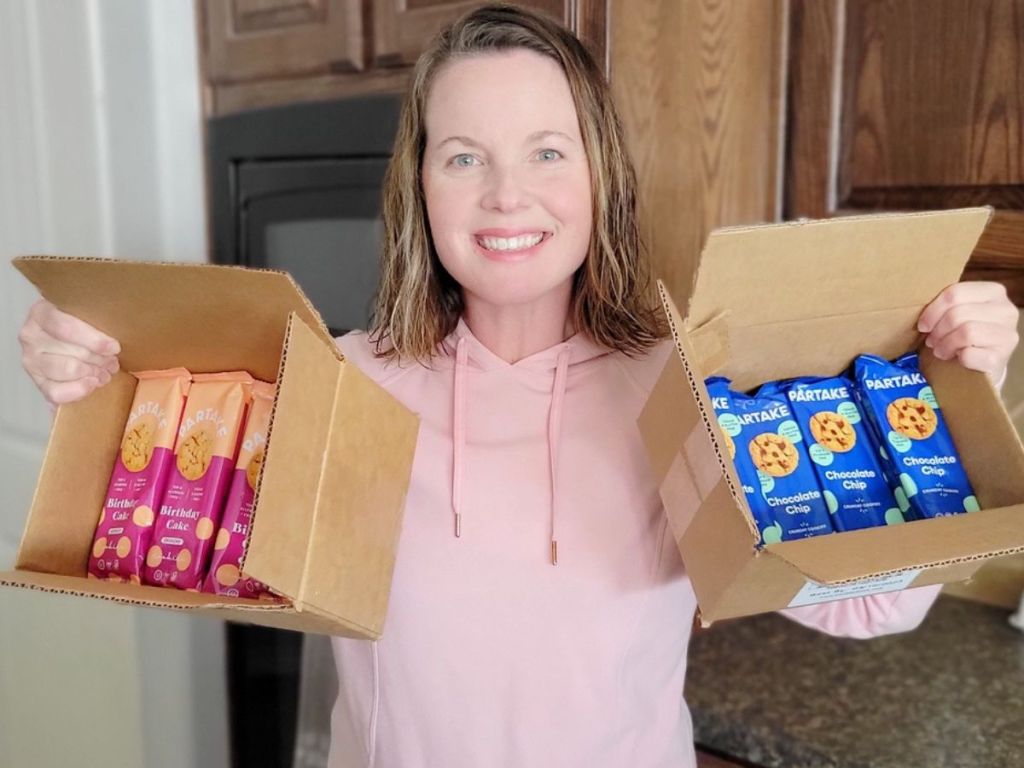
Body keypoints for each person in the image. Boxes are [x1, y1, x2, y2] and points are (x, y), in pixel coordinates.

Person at [17, 5, 1020, 767]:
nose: (506, 194)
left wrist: (950, 396)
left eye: (547, 151)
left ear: (601, 177)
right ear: (420, 186)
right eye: (464, 157)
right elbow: (173, 519)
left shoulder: (683, 397)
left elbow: (868, 613)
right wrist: (91, 383)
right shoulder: (343, 383)